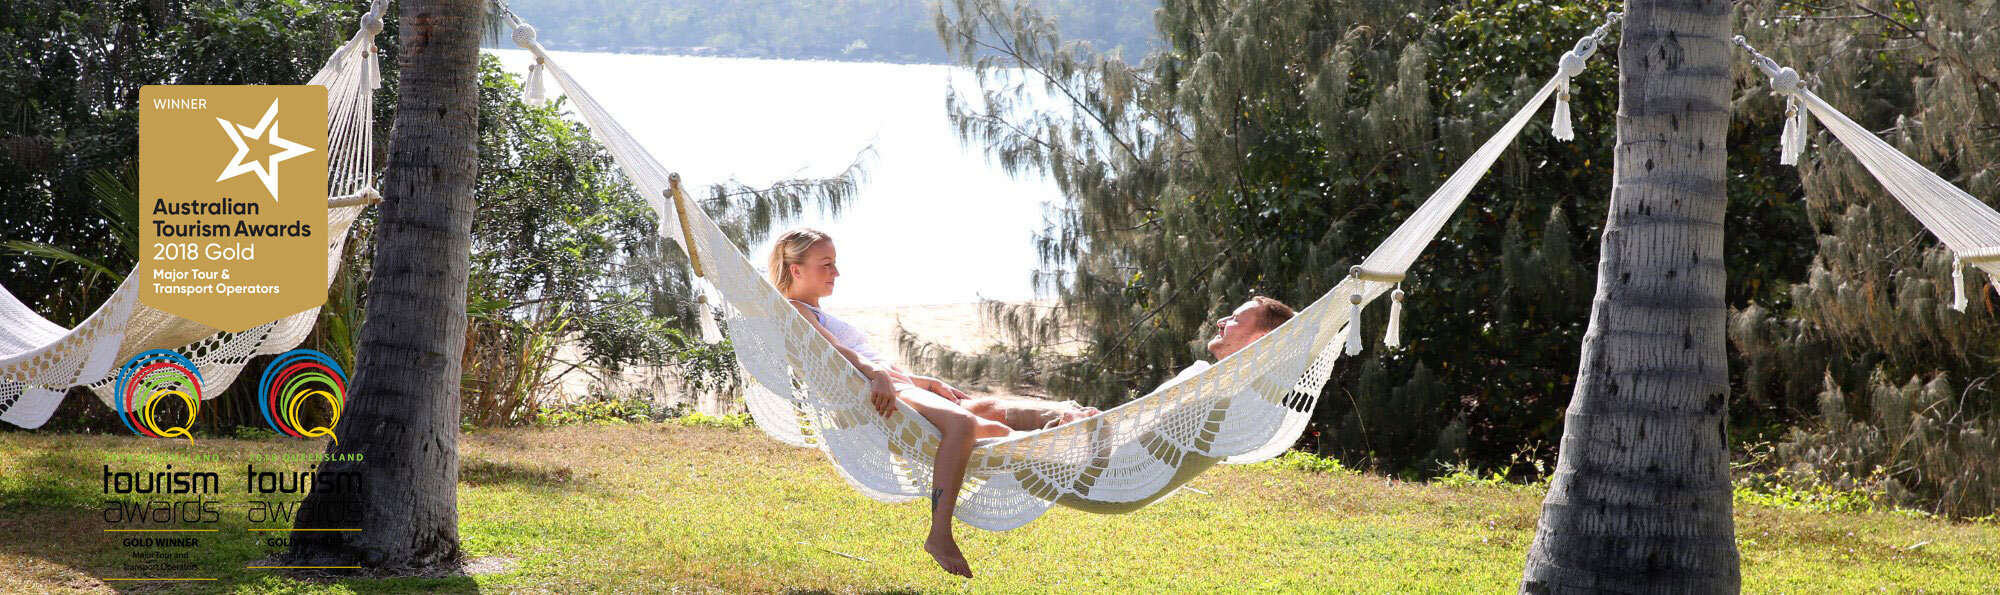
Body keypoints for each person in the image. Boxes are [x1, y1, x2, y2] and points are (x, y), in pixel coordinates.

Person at [767, 227, 1005, 578]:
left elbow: (858, 354)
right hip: (876, 391)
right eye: (827, 264)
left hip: (887, 383)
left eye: (835, 264)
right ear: (797, 269)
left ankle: (1065, 450)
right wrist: (875, 372)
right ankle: (939, 535)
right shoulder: (793, 310)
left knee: (993, 430)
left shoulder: (815, 311)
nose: (836, 273)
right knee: (964, 424)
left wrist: (923, 381)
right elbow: (836, 351)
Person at [960, 296, 1296, 431]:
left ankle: (914, 401)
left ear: (1257, 340)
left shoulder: (1214, 384)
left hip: (1091, 439)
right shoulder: (1220, 383)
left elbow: (1145, 433)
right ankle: (917, 398)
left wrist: (1089, 424)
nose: (1222, 321)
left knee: (984, 409)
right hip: (1096, 429)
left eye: (1235, 319)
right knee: (974, 409)